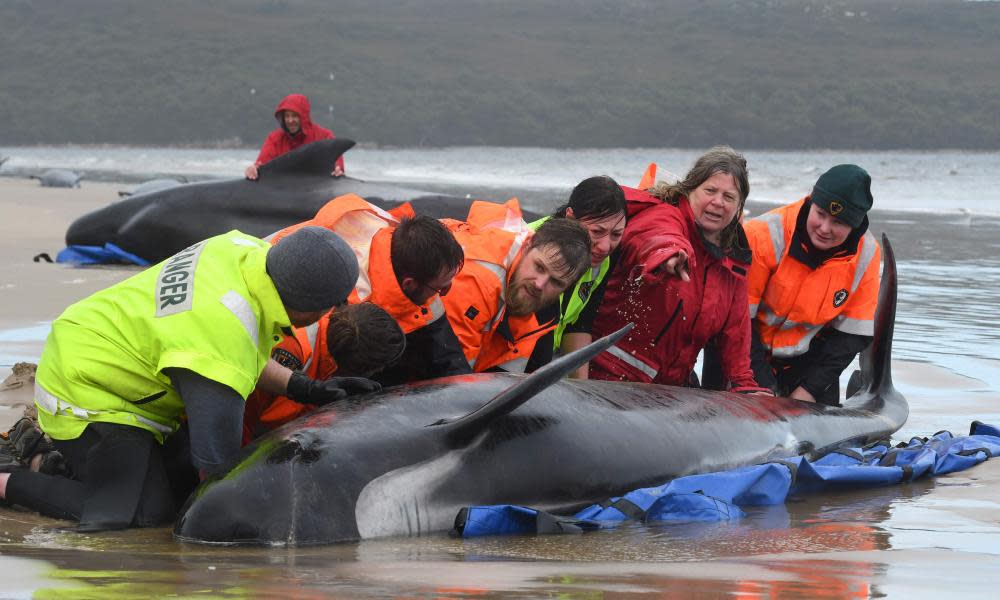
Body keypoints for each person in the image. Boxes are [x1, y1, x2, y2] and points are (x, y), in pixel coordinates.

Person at [0, 227, 380, 530]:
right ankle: (8, 480)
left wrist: (307, 388)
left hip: (110, 348)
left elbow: (235, 349)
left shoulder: (243, 252)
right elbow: (216, 468)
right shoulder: (220, 336)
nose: (334, 311)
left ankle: (55, 465)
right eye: (332, 304)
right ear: (310, 309)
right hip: (85, 389)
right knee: (136, 515)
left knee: (172, 480)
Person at [587, 146, 765, 391]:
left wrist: (744, 385)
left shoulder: (732, 262)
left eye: (729, 197)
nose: (717, 202)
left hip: (668, 390)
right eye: (710, 190)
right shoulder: (663, 216)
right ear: (689, 189)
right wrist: (667, 255)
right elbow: (655, 237)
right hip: (608, 376)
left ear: (739, 206)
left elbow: (736, 334)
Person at [270, 194, 471, 386]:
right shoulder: (342, 301)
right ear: (409, 284)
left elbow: (446, 355)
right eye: (441, 289)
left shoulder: (411, 254)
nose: (444, 292)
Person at [743, 164, 881, 405]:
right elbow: (737, 320)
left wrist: (807, 391)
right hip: (742, 354)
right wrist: (765, 390)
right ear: (810, 201)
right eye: (820, 214)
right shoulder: (761, 234)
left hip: (807, 363)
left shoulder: (867, 254)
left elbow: (850, 337)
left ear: (855, 225)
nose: (824, 228)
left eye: (838, 222)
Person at [442, 209, 592, 373]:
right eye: (539, 267)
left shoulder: (546, 313)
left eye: (556, 282)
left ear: (568, 287)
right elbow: (445, 377)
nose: (540, 284)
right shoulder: (477, 278)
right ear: (528, 244)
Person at [243, 302, 406, 442]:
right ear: (359, 370)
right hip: (238, 432)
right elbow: (274, 428)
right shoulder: (295, 353)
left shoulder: (321, 314)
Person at [529, 176, 627, 378]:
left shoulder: (603, 261)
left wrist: (581, 390)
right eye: (597, 232)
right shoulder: (532, 247)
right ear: (570, 217)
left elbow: (580, 323)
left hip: (546, 359)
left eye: (616, 234)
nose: (606, 246)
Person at [244, 93, 344, 180]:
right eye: (287, 116)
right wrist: (254, 169)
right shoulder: (275, 139)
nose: (290, 120)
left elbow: (338, 166)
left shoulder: (324, 137)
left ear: (304, 116)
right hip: (285, 193)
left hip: (319, 193)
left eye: (294, 116)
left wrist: (338, 170)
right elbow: (261, 164)